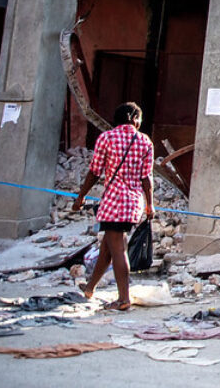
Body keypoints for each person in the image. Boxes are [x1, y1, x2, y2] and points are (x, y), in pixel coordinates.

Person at [72, 101, 155, 311]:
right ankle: (90, 288)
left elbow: (94, 172)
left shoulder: (106, 138)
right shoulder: (145, 141)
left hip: (113, 201)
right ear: (133, 118)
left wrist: (81, 196)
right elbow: (147, 178)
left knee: (118, 248)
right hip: (133, 203)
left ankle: (123, 299)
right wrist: (150, 205)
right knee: (107, 247)